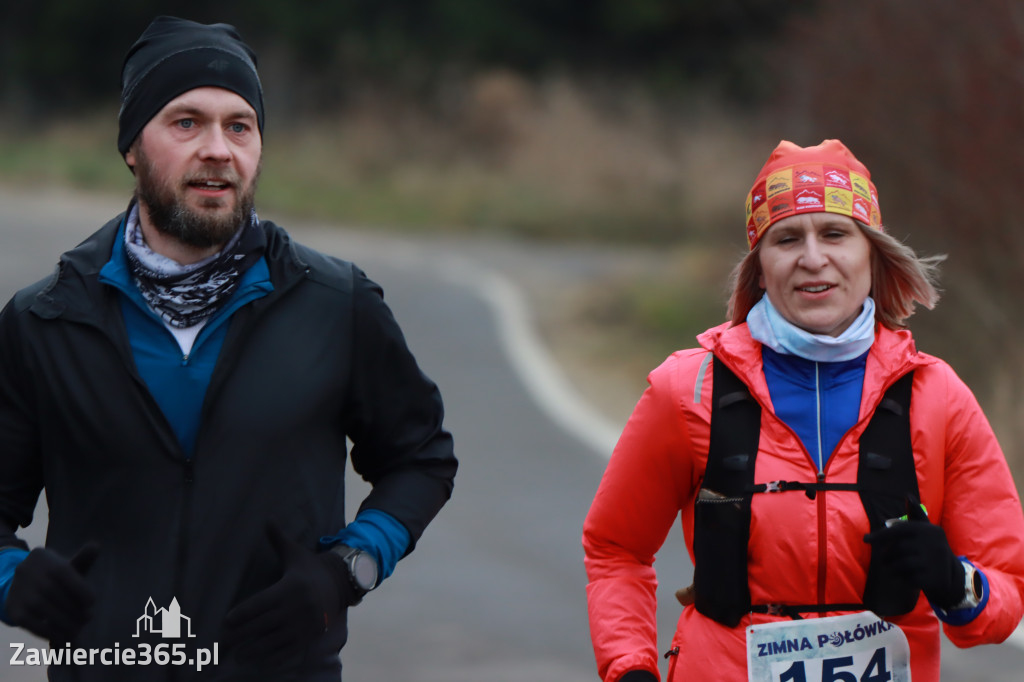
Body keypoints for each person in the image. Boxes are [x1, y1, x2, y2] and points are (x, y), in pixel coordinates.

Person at [0, 15, 457, 681]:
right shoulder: (44, 321)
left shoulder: (336, 303)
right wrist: (13, 580)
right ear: (132, 146)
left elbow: (421, 459)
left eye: (238, 126)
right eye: (186, 122)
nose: (218, 149)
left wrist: (347, 571)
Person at [582, 139, 1024, 681]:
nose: (813, 258)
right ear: (760, 268)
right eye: (787, 238)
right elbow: (616, 549)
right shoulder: (687, 389)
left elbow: (1005, 592)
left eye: (835, 234)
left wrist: (957, 583)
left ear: (872, 254)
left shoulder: (939, 396)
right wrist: (630, 667)